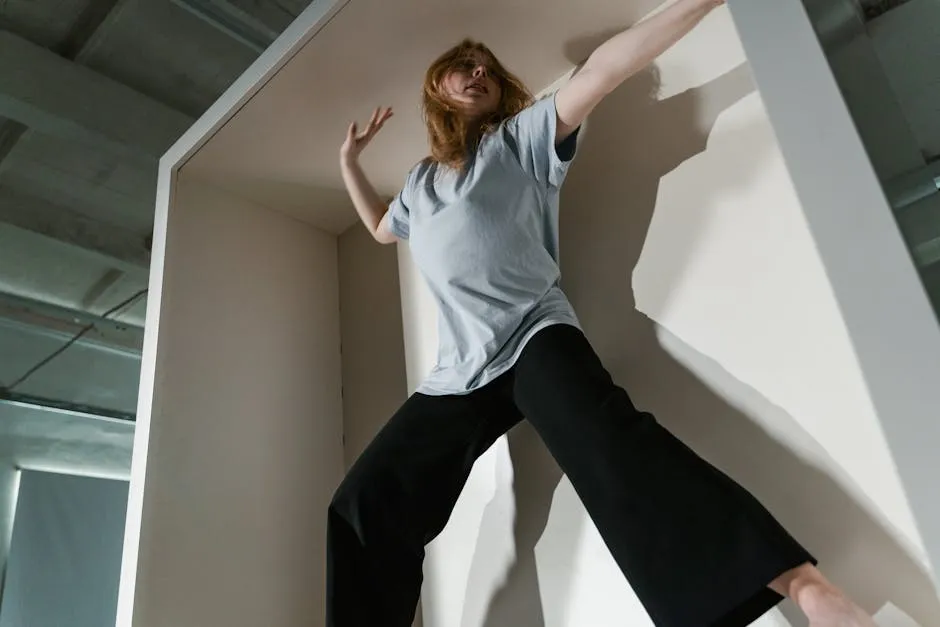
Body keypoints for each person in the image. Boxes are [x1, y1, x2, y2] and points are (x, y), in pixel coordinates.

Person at [331, 0, 876, 625]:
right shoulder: (419, 184)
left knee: (614, 448)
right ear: (438, 91)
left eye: (486, 66)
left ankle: (807, 588)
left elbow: (605, 70)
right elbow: (378, 228)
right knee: (361, 503)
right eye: (463, 66)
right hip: (460, 373)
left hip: (535, 336)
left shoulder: (520, 141)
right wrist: (348, 162)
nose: (478, 70)